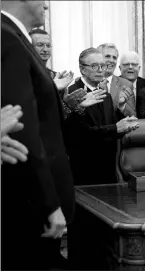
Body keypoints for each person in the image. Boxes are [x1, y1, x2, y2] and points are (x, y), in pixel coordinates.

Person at [1, 1, 75, 269]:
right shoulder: (7, 38)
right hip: (30, 204)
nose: (46, 4)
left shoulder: (15, 37)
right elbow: (23, 132)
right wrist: (48, 202)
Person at [64, 48, 139, 185]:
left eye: (102, 66)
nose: (100, 70)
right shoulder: (72, 94)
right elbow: (80, 134)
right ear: (83, 69)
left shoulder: (106, 95)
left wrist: (124, 125)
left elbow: (111, 128)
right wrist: (116, 128)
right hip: (84, 170)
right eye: (94, 66)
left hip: (108, 168)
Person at [97, 43, 136, 117]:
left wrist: (122, 106)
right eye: (107, 56)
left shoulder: (126, 85)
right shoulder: (88, 82)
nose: (111, 60)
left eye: (114, 58)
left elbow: (133, 116)